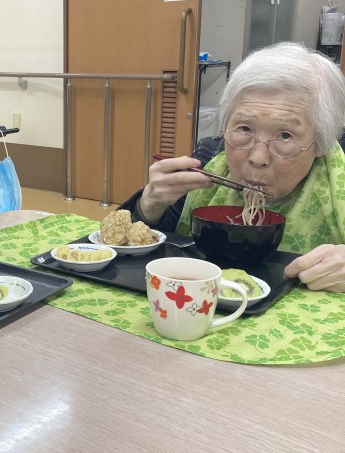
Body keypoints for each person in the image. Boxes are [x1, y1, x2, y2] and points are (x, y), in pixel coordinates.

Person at [119, 41, 345, 292]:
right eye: (244, 128)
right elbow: (135, 248)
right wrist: (149, 206)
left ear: (321, 142)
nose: (258, 158)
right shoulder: (209, 159)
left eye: (285, 135)